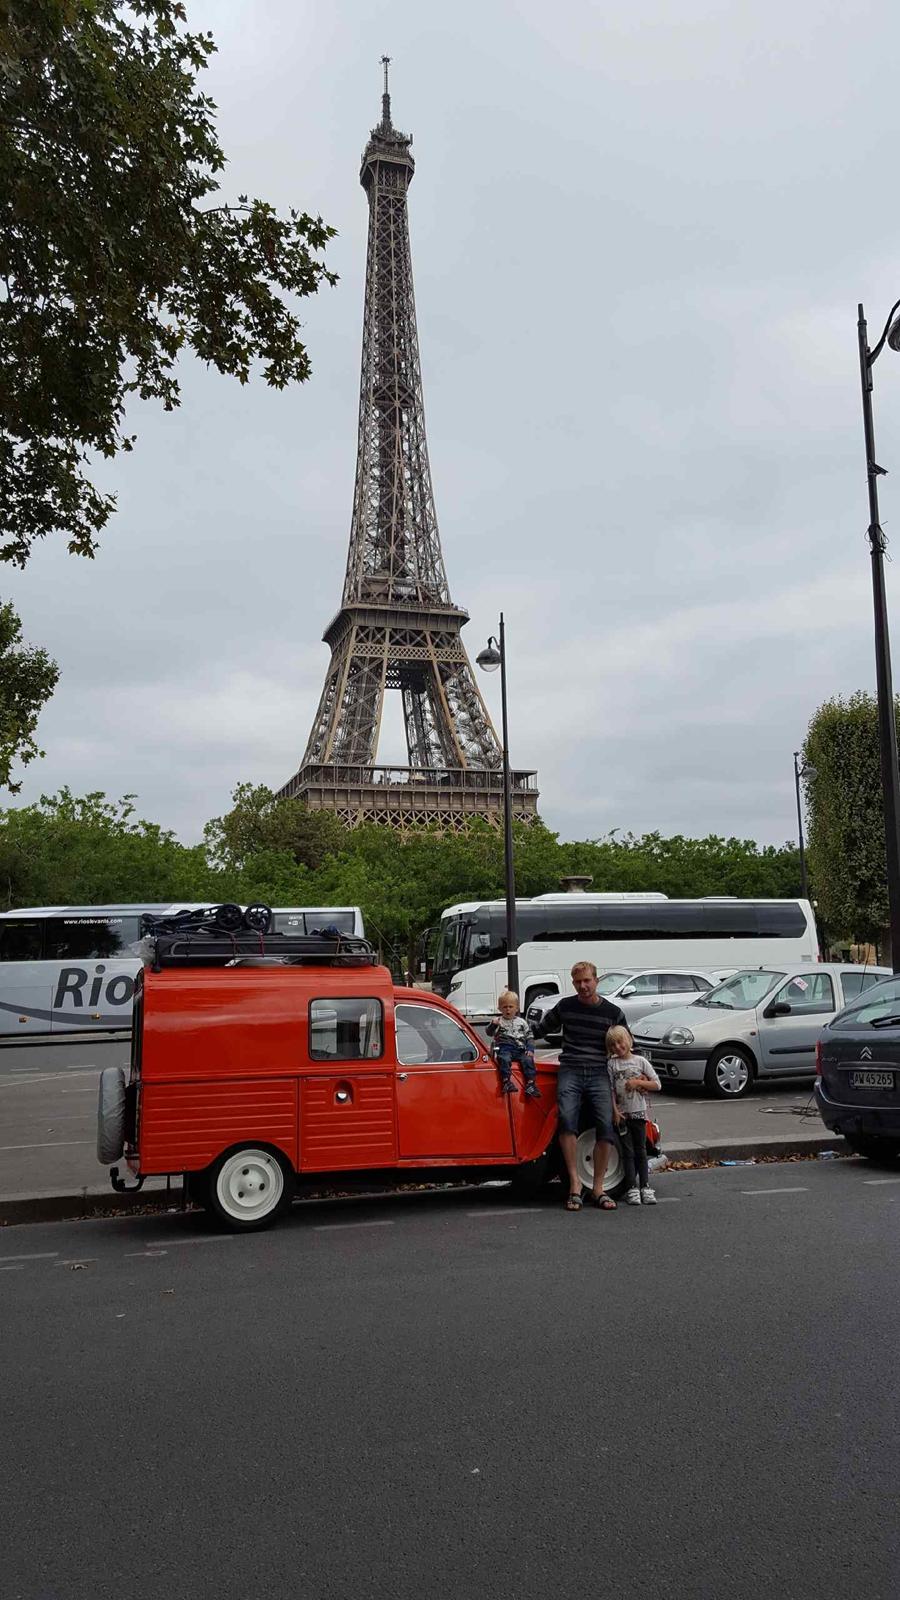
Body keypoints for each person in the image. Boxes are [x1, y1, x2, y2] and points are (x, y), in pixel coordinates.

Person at [532, 961, 627, 1211]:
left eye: (587, 981)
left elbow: (625, 1045)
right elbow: (539, 1030)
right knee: (566, 1121)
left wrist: (632, 1077)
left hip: (599, 1072)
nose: (583, 986)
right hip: (571, 1069)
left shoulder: (613, 1013)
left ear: (596, 980)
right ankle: (575, 1184)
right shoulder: (565, 1007)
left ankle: (598, 1188)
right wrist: (508, 1028)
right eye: (578, 982)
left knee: (606, 1126)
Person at [606, 1024, 661, 1205]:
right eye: (613, 1045)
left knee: (641, 1151)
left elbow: (657, 1084)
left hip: (638, 1113)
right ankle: (632, 1187)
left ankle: (645, 1186)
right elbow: (611, 1090)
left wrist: (638, 1082)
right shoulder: (612, 1064)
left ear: (628, 1041)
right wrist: (614, 1111)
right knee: (627, 1153)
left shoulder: (640, 1061)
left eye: (620, 1043)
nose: (618, 1048)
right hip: (622, 1115)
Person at [486, 990, 541, 1099]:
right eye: (505, 1007)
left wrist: (530, 1049)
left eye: (511, 1007)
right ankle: (506, 1081)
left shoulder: (522, 1022)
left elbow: (529, 1036)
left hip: (520, 1048)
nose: (508, 1009)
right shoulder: (498, 1021)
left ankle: (531, 1083)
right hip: (505, 1047)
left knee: (528, 1060)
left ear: (516, 1008)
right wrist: (493, 1025)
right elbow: (489, 1032)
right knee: (504, 1059)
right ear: (500, 1008)